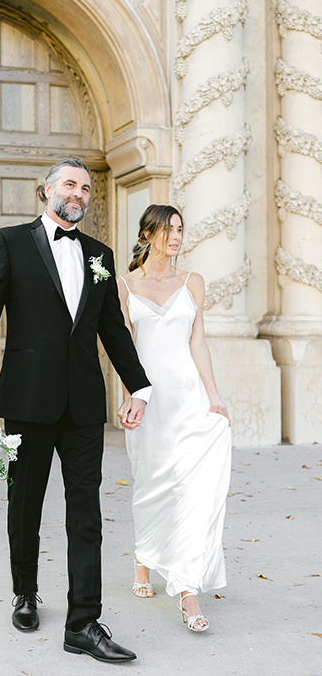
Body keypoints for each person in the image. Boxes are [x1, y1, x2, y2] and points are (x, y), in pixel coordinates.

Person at [0, 157, 151, 662]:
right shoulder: (11, 242)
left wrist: (139, 387)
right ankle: (25, 592)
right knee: (25, 505)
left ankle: (84, 622)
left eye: (85, 187)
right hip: (28, 399)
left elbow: (113, 331)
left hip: (83, 406)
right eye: (70, 184)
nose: (79, 192)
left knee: (86, 514)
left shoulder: (99, 255)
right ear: (47, 190)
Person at [117, 204, 231, 632]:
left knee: (191, 490)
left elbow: (198, 343)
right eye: (168, 230)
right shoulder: (125, 286)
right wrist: (130, 398)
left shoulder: (193, 282)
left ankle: (187, 590)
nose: (176, 237)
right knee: (151, 484)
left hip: (189, 399)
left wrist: (215, 397)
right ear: (148, 234)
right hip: (150, 401)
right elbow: (123, 349)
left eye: (180, 229)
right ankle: (144, 558)